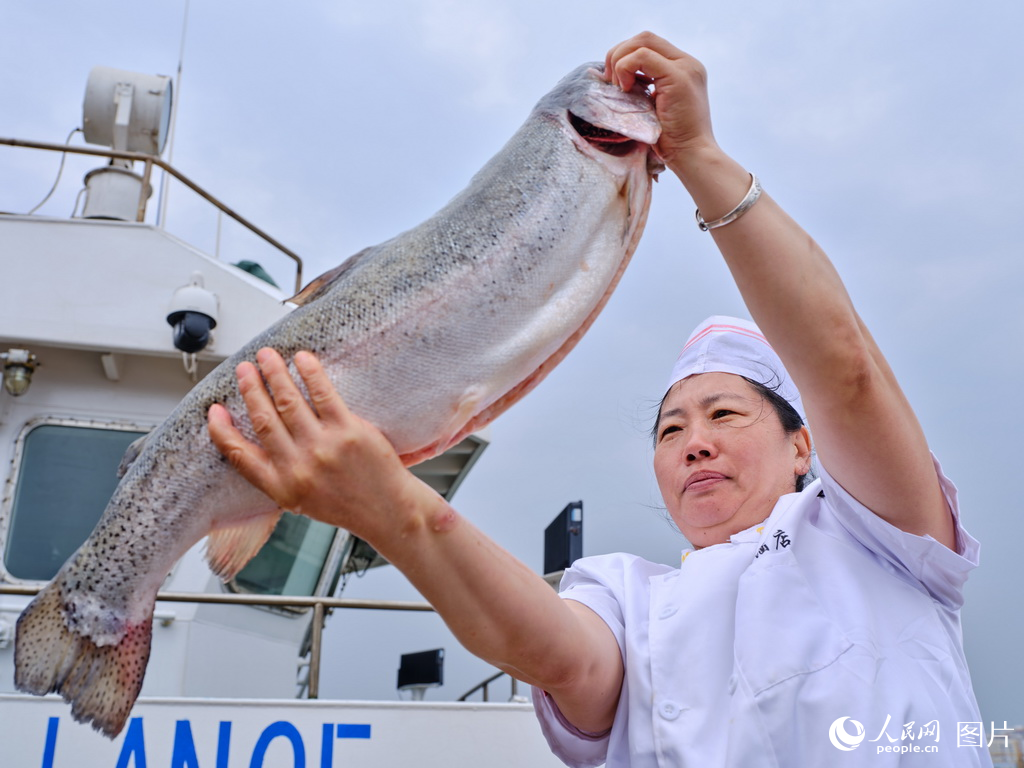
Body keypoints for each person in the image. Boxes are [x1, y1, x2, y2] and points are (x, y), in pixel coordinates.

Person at [208, 32, 988, 767]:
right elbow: (553, 652)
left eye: (725, 414)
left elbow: (844, 369)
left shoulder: (882, 539)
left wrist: (700, 156)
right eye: (671, 427)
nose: (695, 441)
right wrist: (391, 506)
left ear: (802, 446)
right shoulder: (627, 599)